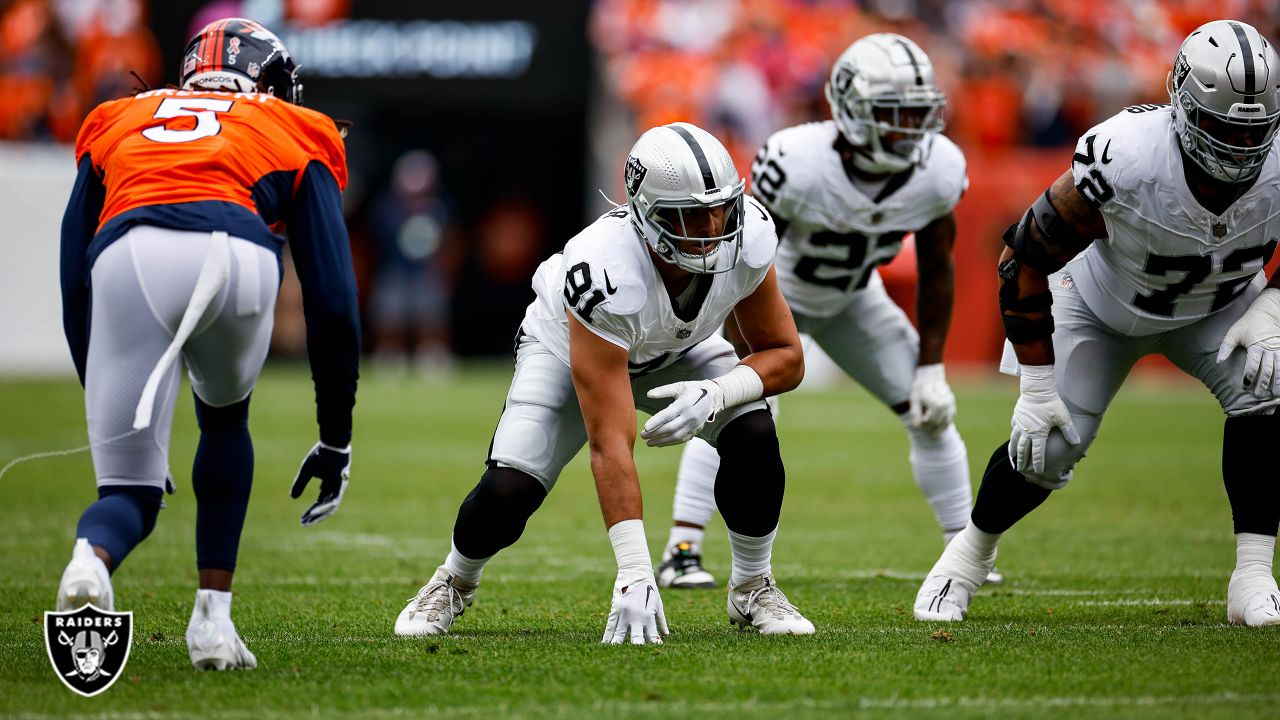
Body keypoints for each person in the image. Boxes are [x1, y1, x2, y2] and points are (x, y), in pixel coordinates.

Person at [914, 20, 1280, 627]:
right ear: (1182, 102)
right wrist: (1035, 383)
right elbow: (1024, 256)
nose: (1238, 147)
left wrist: (1273, 306)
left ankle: (1252, 575)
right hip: (1098, 307)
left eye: (1254, 130)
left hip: (1218, 308)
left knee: (1267, 383)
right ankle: (967, 557)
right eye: (1221, 127)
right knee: (1047, 447)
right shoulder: (1128, 154)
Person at [394, 122, 814, 643]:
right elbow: (610, 440)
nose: (710, 229)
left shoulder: (747, 234)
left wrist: (717, 392)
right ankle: (453, 579)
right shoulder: (603, 268)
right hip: (569, 347)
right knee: (509, 489)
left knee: (753, 432)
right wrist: (635, 571)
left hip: (679, 348)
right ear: (645, 215)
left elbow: (786, 356)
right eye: (689, 216)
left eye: (719, 209)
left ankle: (753, 585)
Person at [56, 18, 360, 669]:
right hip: (239, 256)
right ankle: (212, 623)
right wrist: (336, 435)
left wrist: (104, 393)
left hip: (128, 253)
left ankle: (92, 559)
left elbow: (71, 272)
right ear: (268, 83)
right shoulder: (294, 127)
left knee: (127, 493)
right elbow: (331, 296)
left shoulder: (118, 116)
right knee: (225, 421)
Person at [655, 34, 996, 590]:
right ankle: (682, 548)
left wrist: (932, 366)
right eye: (893, 113)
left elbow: (938, 267)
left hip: (853, 299)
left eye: (918, 112)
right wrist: (746, 354)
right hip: (772, 296)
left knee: (931, 411)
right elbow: (747, 257)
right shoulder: (798, 160)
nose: (909, 128)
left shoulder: (938, 168)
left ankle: (967, 554)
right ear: (853, 109)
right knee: (738, 415)